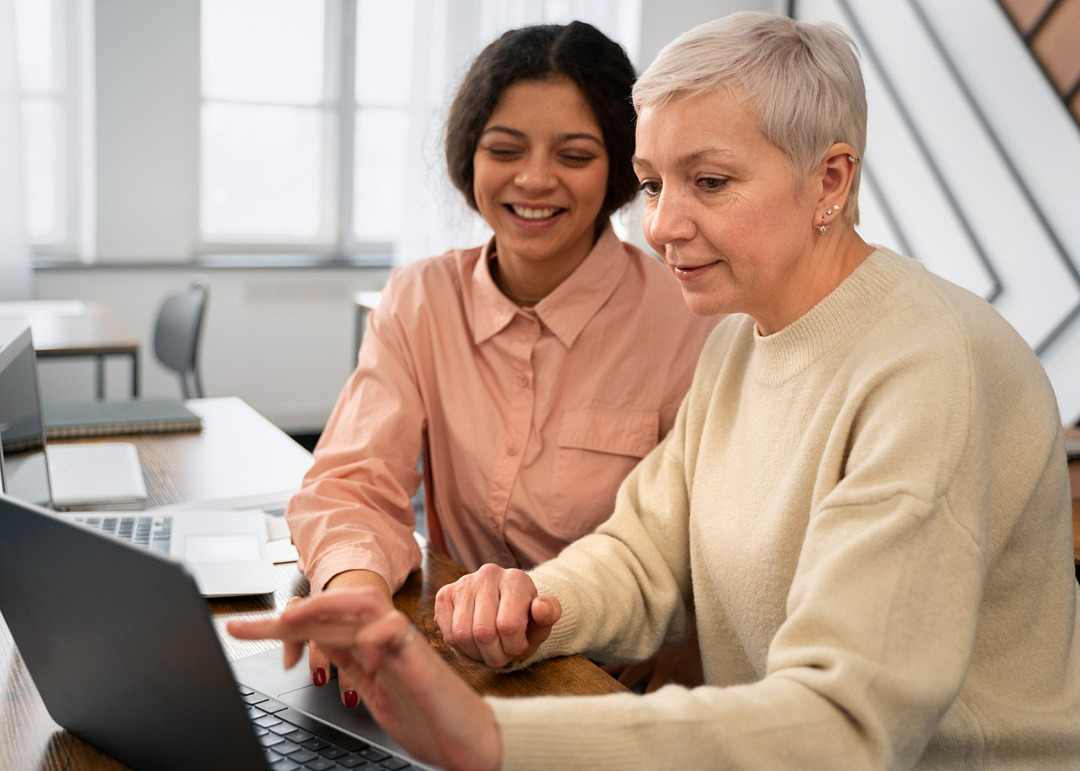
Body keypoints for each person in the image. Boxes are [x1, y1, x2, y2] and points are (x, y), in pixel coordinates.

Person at [231, 11, 1080, 769]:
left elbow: (847, 724)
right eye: (653, 184)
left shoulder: (927, 366)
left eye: (709, 182)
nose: (664, 224)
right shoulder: (742, 342)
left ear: (829, 182)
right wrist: (537, 605)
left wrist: (498, 739)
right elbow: (645, 552)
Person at [283, 20, 717, 706]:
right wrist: (354, 590)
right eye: (504, 148)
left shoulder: (688, 316)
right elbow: (354, 481)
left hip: (609, 683)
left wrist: (678, 658)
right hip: (460, 665)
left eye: (574, 155)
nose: (534, 179)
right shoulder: (422, 298)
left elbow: (710, 547)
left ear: (620, 169)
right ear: (470, 157)